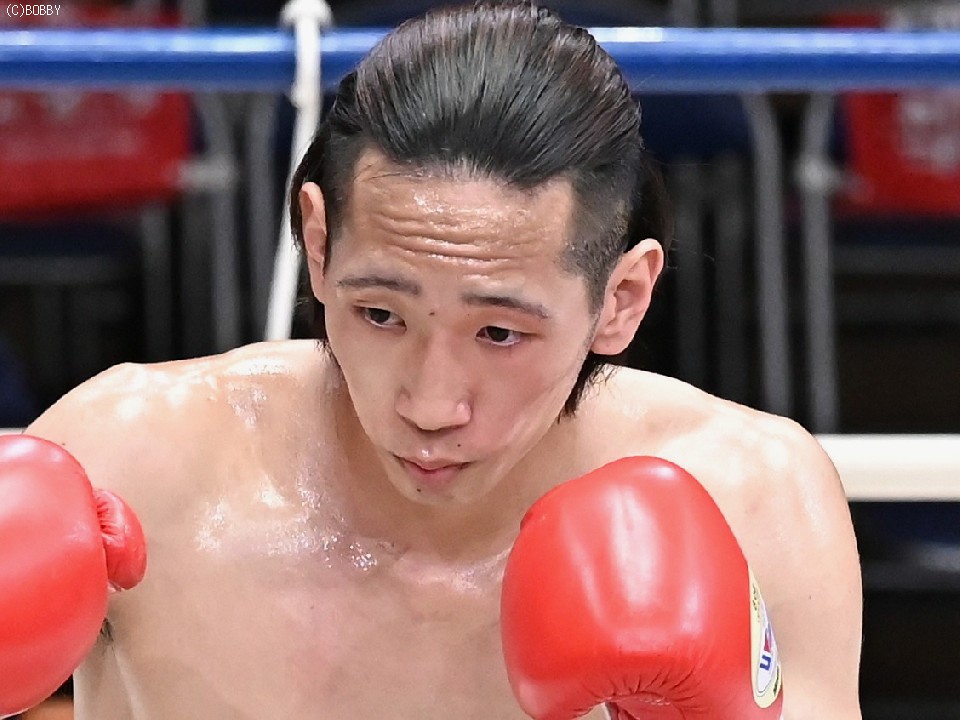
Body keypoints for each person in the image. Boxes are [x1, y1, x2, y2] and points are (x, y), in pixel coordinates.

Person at [4, 2, 862, 718]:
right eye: (381, 314)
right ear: (317, 246)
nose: (430, 402)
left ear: (622, 298)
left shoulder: (752, 497)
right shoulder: (136, 462)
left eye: (500, 334)